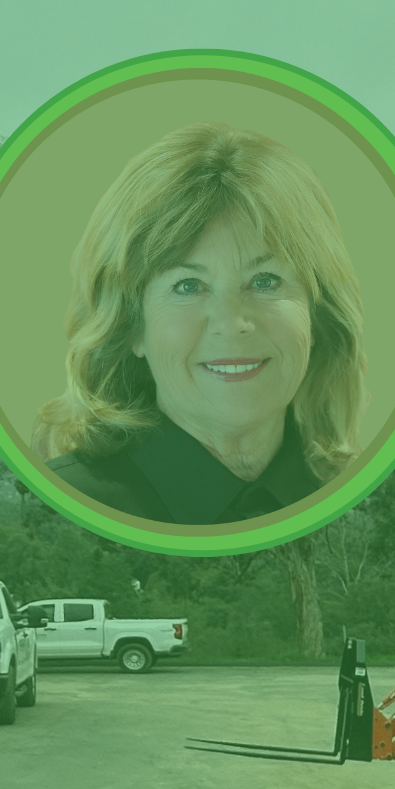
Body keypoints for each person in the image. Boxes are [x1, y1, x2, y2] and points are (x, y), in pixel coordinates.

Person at [33, 123, 367, 525]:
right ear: (132, 326)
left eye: (265, 281)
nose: (231, 322)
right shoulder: (65, 505)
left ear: (317, 313)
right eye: (188, 285)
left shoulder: (364, 508)